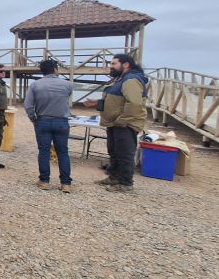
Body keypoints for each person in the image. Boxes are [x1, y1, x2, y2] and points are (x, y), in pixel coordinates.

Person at [84, 54, 149, 193]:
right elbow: (117, 100)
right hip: (114, 123)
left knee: (125, 153)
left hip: (125, 124)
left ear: (125, 64)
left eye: (114, 64)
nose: (110, 67)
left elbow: (134, 103)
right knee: (114, 151)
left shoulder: (131, 80)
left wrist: (122, 120)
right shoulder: (120, 79)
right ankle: (114, 177)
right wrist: (97, 102)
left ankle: (126, 183)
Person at [24, 59, 74, 192]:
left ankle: (44, 181)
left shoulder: (35, 85)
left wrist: (33, 118)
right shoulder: (68, 84)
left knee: (44, 151)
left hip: (43, 120)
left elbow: (28, 105)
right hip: (62, 121)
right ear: (55, 69)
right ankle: (66, 183)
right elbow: (66, 98)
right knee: (63, 152)